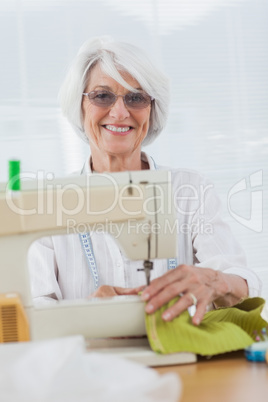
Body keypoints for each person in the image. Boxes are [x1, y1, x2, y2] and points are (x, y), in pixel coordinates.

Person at [29, 36, 261, 326]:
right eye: (102, 96)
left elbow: (241, 283)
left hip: (182, 363)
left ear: (151, 110)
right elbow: (31, 311)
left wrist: (214, 281)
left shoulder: (191, 191)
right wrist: (86, 314)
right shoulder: (49, 204)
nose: (120, 112)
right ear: (80, 105)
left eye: (136, 98)